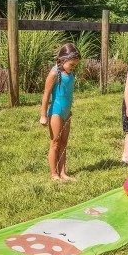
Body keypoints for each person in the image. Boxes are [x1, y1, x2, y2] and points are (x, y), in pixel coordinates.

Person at [39, 43, 81, 181]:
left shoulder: (70, 73)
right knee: (55, 142)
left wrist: (69, 110)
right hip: (56, 112)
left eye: (75, 65)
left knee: (64, 143)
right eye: (72, 64)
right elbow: (46, 95)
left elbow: (68, 94)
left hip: (66, 112)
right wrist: (43, 115)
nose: (73, 67)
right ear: (63, 60)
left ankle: (63, 172)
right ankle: (54, 174)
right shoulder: (54, 73)